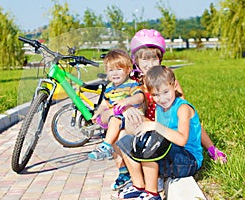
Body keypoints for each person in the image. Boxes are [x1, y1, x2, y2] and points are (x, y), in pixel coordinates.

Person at [111, 28, 227, 192]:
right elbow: (120, 104)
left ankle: (153, 178)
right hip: (147, 125)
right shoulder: (134, 83)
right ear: (136, 60)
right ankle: (134, 179)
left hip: (166, 133)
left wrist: (211, 148)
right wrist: (127, 108)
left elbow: (189, 121)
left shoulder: (167, 81)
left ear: (160, 59)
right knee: (122, 136)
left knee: (148, 141)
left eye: (154, 58)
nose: (149, 64)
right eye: (144, 59)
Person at [118, 65, 203, 199]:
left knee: (150, 147)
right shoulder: (159, 107)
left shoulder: (183, 108)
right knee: (127, 141)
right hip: (171, 155)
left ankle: (152, 193)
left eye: (165, 92)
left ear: (174, 85)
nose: (162, 99)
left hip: (188, 160)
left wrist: (155, 125)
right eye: (156, 95)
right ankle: (138, 185)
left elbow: (182, 140)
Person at [88, 49, 145, 161]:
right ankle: (122, 170)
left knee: (114, 121)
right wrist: (96, 113)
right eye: (111, 70)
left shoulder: (131, 84)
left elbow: (140, 97)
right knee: (115, 141)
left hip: (131, 119)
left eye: (119, 69)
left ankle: (105, 146)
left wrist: (126, 101)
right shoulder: (109, 87)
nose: (114, 73)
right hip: (117, 118)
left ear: (128, 70)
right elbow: (105, 103)